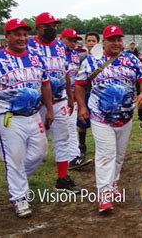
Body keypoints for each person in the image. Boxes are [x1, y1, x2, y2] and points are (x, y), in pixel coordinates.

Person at [75, 25, 142, 213]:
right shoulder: (92, 61)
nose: (116, 43)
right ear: (104, 42)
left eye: (119, 39)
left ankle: (114, 183)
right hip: (100, 116)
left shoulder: (131, 59)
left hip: (125, 116)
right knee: (106, 154)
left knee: (119, 155)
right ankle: (104, 196)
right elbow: (79, 84)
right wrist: (82, 106)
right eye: (112, 39)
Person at [0, 19, 53, 218]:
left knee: (40, 153)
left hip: (33, 114)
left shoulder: (36, 58)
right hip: (9, 118)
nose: (22, 38)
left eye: (25, 34)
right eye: (17, 34)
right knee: (15, 158)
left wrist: (50, 110)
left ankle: (16, 178)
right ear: (7, 36)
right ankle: (20, 198)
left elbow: (45, 84)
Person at [28, 12, 81, 193]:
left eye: (54, 26)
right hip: (37, 103)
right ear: (38, 28)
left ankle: (62, 178)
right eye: (48, 26)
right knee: (35, 144)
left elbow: (65, 72)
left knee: (63, 138)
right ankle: (21, 179)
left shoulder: (59, 46)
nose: (52, 29)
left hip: (59, 100)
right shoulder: (29, 45)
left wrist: (70, 95)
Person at [60, 29, 92, 170]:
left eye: (75, 40)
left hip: (71, 97)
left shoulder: (75, 56)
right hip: (55, 97)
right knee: (43, 134)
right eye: (70, 40)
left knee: (70, 128)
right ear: (62, 39)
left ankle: (74, 157)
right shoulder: (56, 54)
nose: (73, 43)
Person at [77, 31, 100, 157]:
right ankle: (82, 146)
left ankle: (101, 146)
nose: (91, 43)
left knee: (100, 121)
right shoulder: (81, 57)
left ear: (98, 43)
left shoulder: (102, 58)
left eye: (93, 41)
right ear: (85, 43)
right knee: (83, 122)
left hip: (98, 94)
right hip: (85, 92)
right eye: (89, 41)